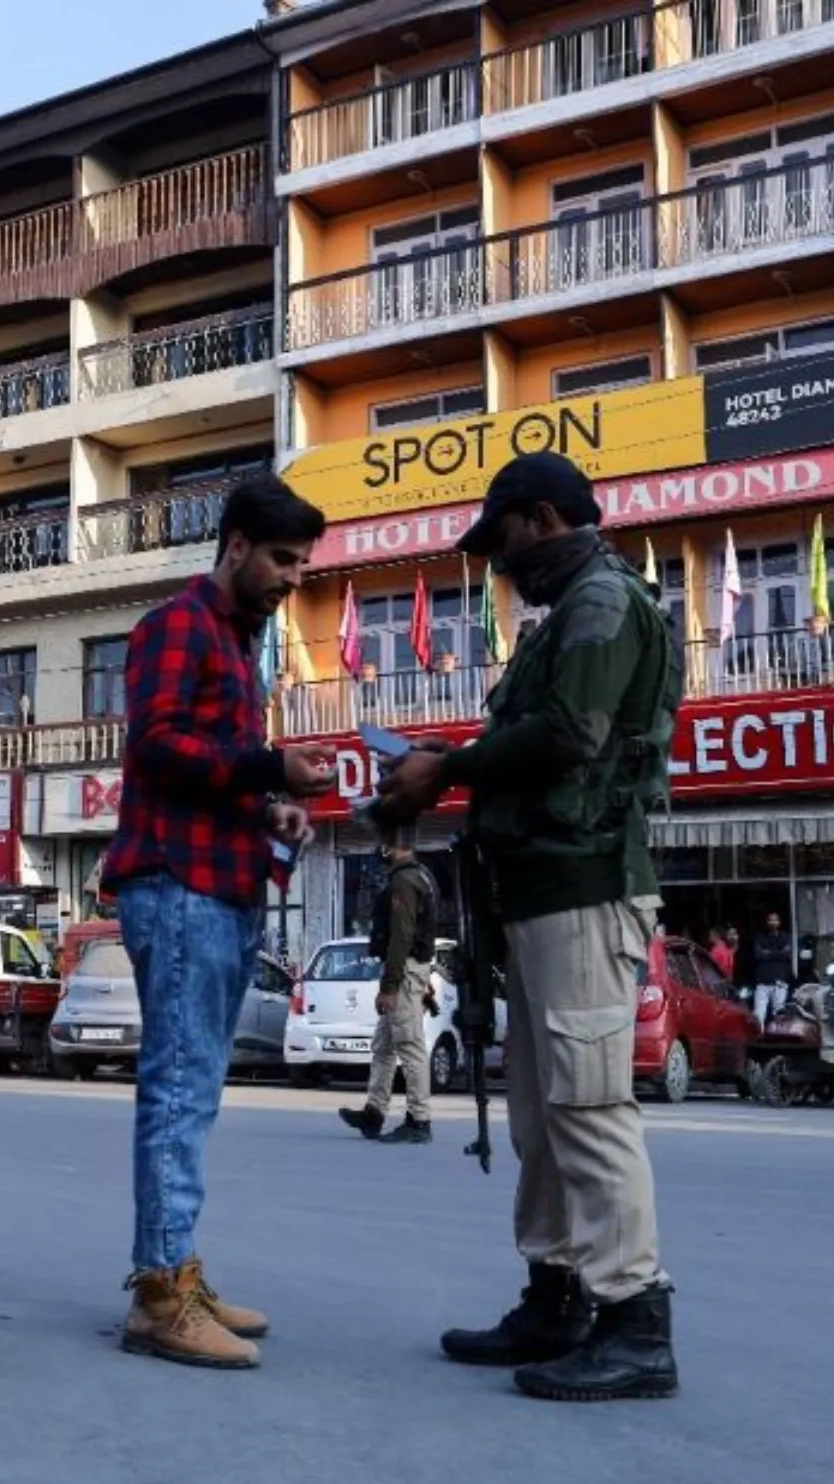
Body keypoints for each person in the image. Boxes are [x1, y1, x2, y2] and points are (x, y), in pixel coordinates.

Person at [378, 451, 682, 1404]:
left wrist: (447, 767)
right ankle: (557, 1297)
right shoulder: (573, 611)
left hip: (585, 886)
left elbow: (570, 737)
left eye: (502, 542)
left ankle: (635, 1323)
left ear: (543, 519)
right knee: (544, 1118)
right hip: (543, 891)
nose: (498, 565)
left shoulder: (600, 602)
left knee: (588, 1109)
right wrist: (448, 765)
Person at [102, 476, 337, 1372]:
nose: (291, 578)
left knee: (194, 1092)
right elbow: (156, 743)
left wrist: (269, 802)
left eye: (301, 566)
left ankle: (180, 1274)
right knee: (176, 1090)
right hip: (178, 888)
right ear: (235, 546)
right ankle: (160, 1297)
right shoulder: (177, 628)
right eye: (282, 559)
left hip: (222, 884)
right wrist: (269, 765)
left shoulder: (240, 643)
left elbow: (219, 771)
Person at [338, 821, 438, 1146]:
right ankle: (374, 1112)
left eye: (384, 843)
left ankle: (419, 1120)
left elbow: (402, 937)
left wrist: (391, 986)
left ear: (395, 845)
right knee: (384, 1046)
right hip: (409, 971)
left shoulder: (405, 882)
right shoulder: (418, 876)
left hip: (404, 972)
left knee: (409, 1046)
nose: (379, 850)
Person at [751, 910, 795, 1026]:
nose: (772, 922)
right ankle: (758, 1037)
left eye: (775, 920)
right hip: (763, 981)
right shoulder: (760, 937)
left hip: (780, 980)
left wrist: (768, 953)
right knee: (759, 1013)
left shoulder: (786, 937)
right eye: (770, 920)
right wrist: (778, 952)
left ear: (779, 922)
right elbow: (758, 954)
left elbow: (787, 954)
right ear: (766, 922)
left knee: (779, 1013)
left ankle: (778, 1037)